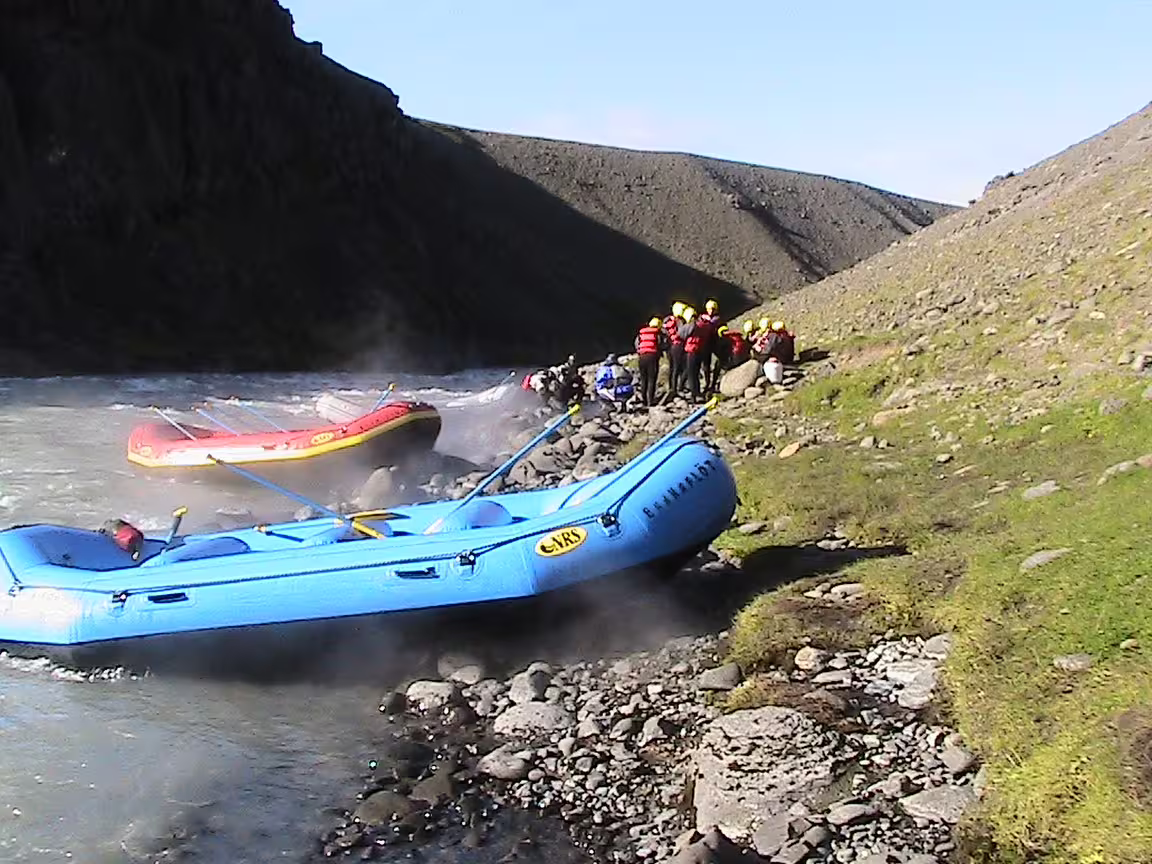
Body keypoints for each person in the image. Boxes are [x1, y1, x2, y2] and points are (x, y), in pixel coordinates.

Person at [634, 317, 665, 407]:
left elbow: (637, 344)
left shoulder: (641, 334)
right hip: (652, 357)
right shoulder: (657, 334)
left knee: (644, 379)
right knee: (652, 379)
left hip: (642, 357)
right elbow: (661, 345)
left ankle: (643, 400)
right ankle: (650, 401)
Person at [679, 307, 705, 402]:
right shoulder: (701, 324)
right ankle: (697, 393)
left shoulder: (691, 325)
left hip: (691, 352)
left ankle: (694, 396)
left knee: (691, 375)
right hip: (699, 351)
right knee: (696, 373)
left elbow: (681, 334)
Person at [662, 301, 687, 397]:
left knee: (673, 367)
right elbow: (682, 334)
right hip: (678, 345)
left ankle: (672, 387)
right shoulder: (679, 321)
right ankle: (678, 387)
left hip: (669, 347)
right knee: (680, 367)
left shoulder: (666, 321)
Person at [698, 299, 723, 393]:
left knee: (718, 363)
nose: (711, 311)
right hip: (706, 344)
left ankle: (713, 382)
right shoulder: (703, 318)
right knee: (706, 365)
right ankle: (707, 383)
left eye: (712, 309)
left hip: (714, 343)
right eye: (709, 309)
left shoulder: (718, 319)